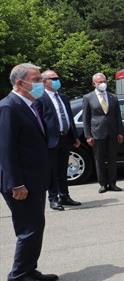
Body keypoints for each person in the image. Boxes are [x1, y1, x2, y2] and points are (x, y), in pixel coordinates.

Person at [0, 63, 59, 281]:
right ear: (20, 83)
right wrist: (16, 183)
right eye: (35, 79)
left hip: (34, 179)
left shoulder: (30, 104)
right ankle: (18, 277)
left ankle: (29, 268)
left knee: (36, 225)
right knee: (28, 229)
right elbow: (6, 150)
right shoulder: (9, 107)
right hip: (21, 183)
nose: (40, 84)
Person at [38, 69, 82, 211]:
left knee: (63, 169)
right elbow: (39, 121)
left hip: (65, 138)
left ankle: (64, 195)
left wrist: (74, 136)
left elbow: (69, 118)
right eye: (53, 78)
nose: (57, 80)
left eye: (57, 78)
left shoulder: (63, 97)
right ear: (45, 82)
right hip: (50, 140)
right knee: (52, 171)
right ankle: (53, 198)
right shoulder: (41, 98)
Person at [81, 72, 124, 193]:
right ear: (94, 83)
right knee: (99, 159)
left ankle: (112, 183)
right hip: (97, 132)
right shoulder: (88, 97)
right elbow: (86, 118)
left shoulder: (113, 97)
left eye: (104, 81)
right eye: (100, 82)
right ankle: (103, 184)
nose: (103, 84)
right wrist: (88, 135)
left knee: (112, 159)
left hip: (112, 132)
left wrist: (120, 132)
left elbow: (118, 116)